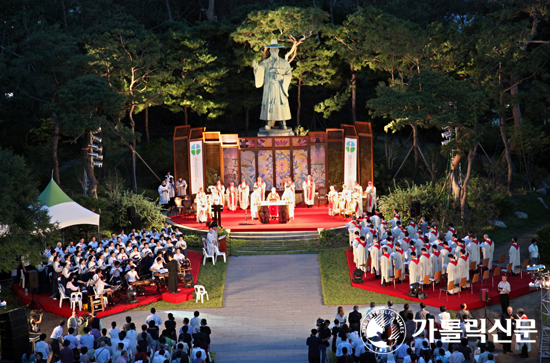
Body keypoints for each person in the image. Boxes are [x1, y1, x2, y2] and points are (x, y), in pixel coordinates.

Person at [252, 39, 292, 130]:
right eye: (272, 50)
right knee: (269, 105)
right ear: (270, 51)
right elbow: (260, 71)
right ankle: (269, 123)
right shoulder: (265, 63)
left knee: (281, 104)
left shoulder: (284, 63)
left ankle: (283, 123)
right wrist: (256, 68)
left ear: (278, 50)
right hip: (269, 87)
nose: (274, 51)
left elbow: (289, 75)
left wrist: (281, 78)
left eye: (276, 50)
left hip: (280, 87)